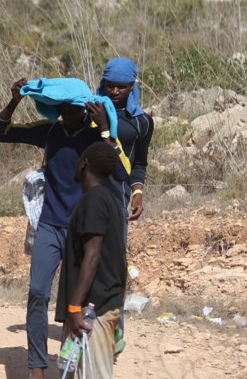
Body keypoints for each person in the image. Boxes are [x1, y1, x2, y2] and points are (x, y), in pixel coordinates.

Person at [0, 77, 129, 379]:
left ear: (85, 109)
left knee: (77, 302)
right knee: (38, 292)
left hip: (82, 230)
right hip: (50, 224)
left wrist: (105, 131)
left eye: (72, 108)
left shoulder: (97, 137)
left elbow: (119, 170)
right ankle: (37, 366)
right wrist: (15, 100)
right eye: (61, 107)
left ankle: (79, 360)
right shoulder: (50, 132)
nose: (67, 113)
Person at [96, 56, 154, 354]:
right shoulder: (89, 112)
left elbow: (139, 163)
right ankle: (82, 326)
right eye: (110, 85)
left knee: (116, 264)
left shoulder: (141, 122)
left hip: (118, 198)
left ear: (133, 85)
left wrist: (138, 192)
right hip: (85, 197)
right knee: (82, 261)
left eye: (122, 86)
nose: (115, 91)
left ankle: (116, 330)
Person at [56, 142, 128, 379]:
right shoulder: (110, 200)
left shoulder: (94, 201)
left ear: (83, 163)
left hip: (91, 309)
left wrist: (75, 306)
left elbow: (93, 254)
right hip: (101, 304)